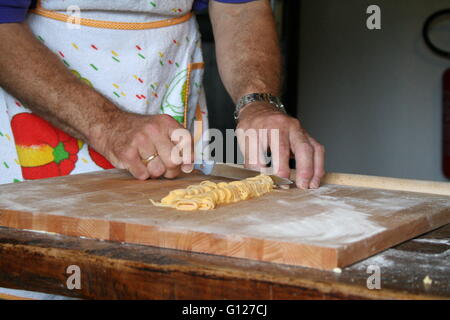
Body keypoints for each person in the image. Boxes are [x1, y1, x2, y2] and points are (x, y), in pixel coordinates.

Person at [0, 0, 325, 189]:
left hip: (169, 87)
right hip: (43, 108)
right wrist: (107, 124)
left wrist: (257, 101)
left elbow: (240, 8)